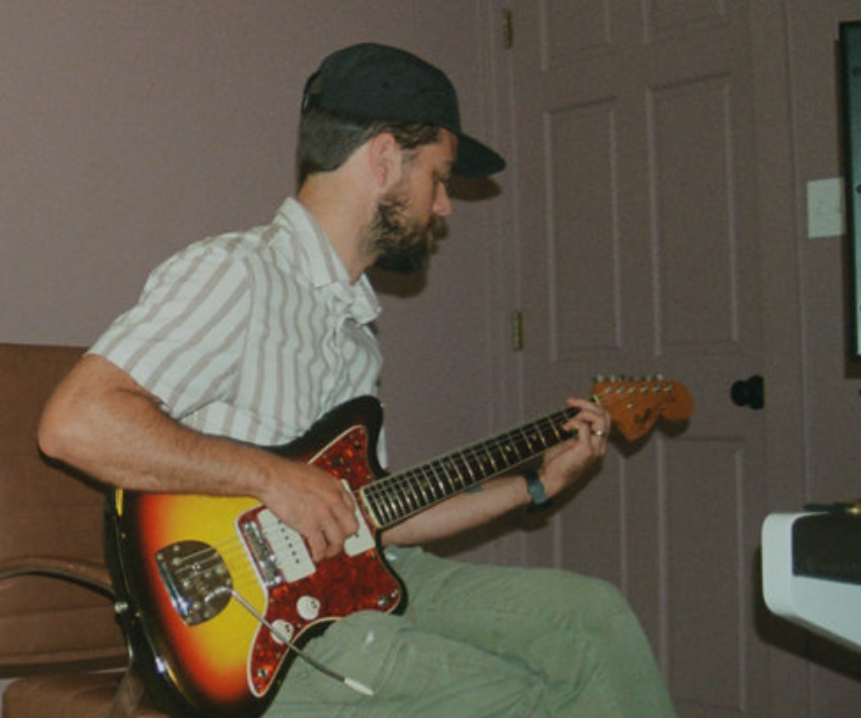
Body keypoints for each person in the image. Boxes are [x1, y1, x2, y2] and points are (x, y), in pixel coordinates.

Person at [36, 43, 675, 716]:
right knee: (516, 698)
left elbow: (374, 515)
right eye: (439, 177)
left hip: (359, 586)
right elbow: (75, 422)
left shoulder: (353, 336)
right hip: (254, 632)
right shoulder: (239, 274)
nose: (444, 205)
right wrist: (273, 478)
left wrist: (535, 484)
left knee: (589, 619)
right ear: (385, 158)